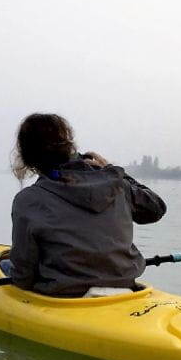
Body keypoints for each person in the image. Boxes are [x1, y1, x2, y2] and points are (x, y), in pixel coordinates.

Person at [9, 113, 167, 297]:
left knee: (6, 265)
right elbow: (155, 209)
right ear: (69, 146)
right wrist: (113, 172)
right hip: (125, 288)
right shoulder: (118, 185)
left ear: (29, 156)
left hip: (63, 296)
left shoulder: (28, 200)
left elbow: (23, 277)